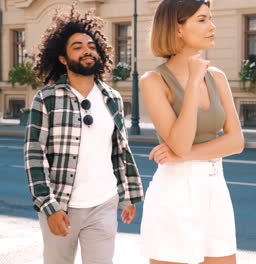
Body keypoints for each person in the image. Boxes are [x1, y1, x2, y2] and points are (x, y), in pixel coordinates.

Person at [24, 4, 144, 264]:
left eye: (91, 45)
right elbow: (34, 156)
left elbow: (119, 151)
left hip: (104, 204)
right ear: (63, 59)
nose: (87, 50)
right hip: (61, 206)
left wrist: (128, 196)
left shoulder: (112, 98)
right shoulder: (46, 99)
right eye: (77, 47)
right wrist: (48, 205)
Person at [139, 0, 244, 263]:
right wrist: (194, 79)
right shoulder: (154, 81)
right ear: (178, 29)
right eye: (202, 19)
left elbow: (236, 142)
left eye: (210, 18)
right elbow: (181, 143)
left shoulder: (217, 76)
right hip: (175, 191)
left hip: (215, 187)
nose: (212, 26)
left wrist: (181, 155)